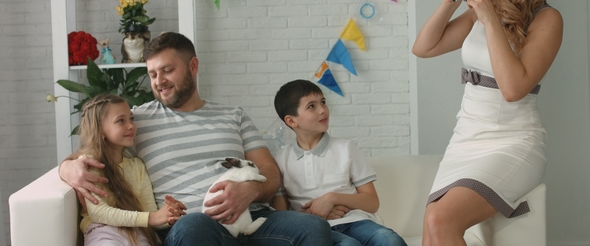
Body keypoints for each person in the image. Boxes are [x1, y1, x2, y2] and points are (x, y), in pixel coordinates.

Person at [59, 32, 333, 246]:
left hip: (254, 217)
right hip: (192, 226)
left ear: (193, 66)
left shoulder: (233, 115)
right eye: (152, 74)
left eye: (167, 70)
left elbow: (270, 173)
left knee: (313, 227)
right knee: (195, 226)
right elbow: (97, 143)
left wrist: (249, 191)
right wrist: (67, 168)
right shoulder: (136, 121)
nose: (158, 81)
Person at [411, 0, 563, 246]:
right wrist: (448, 3)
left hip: (514, 142)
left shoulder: (545, 19)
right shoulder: (476, 13)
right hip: (466, 137)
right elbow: (423, 48)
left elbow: (512, 89)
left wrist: (490, 19)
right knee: (431, 229)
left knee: (440, 220)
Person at [271, 79, 407, 246]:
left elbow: (372, 202)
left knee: (389, 239)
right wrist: (314, 215)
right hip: (312, 229)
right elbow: (280, 216)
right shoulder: (279, 159)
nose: (323, 110)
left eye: (323, 102)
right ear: (291, 121)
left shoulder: (346, 148)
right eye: (311, 106)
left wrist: (332, 198)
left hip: (355, 221)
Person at [76, 93, 186, 246]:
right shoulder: (89, 165)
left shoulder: (137, 166)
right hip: (103, 231)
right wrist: (151, 218)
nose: (131, 126)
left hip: (138, 233)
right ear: (100, 130)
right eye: (121, 121)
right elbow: (98, 212)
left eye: (131, 119)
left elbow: (149, 210)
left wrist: (169, 215)